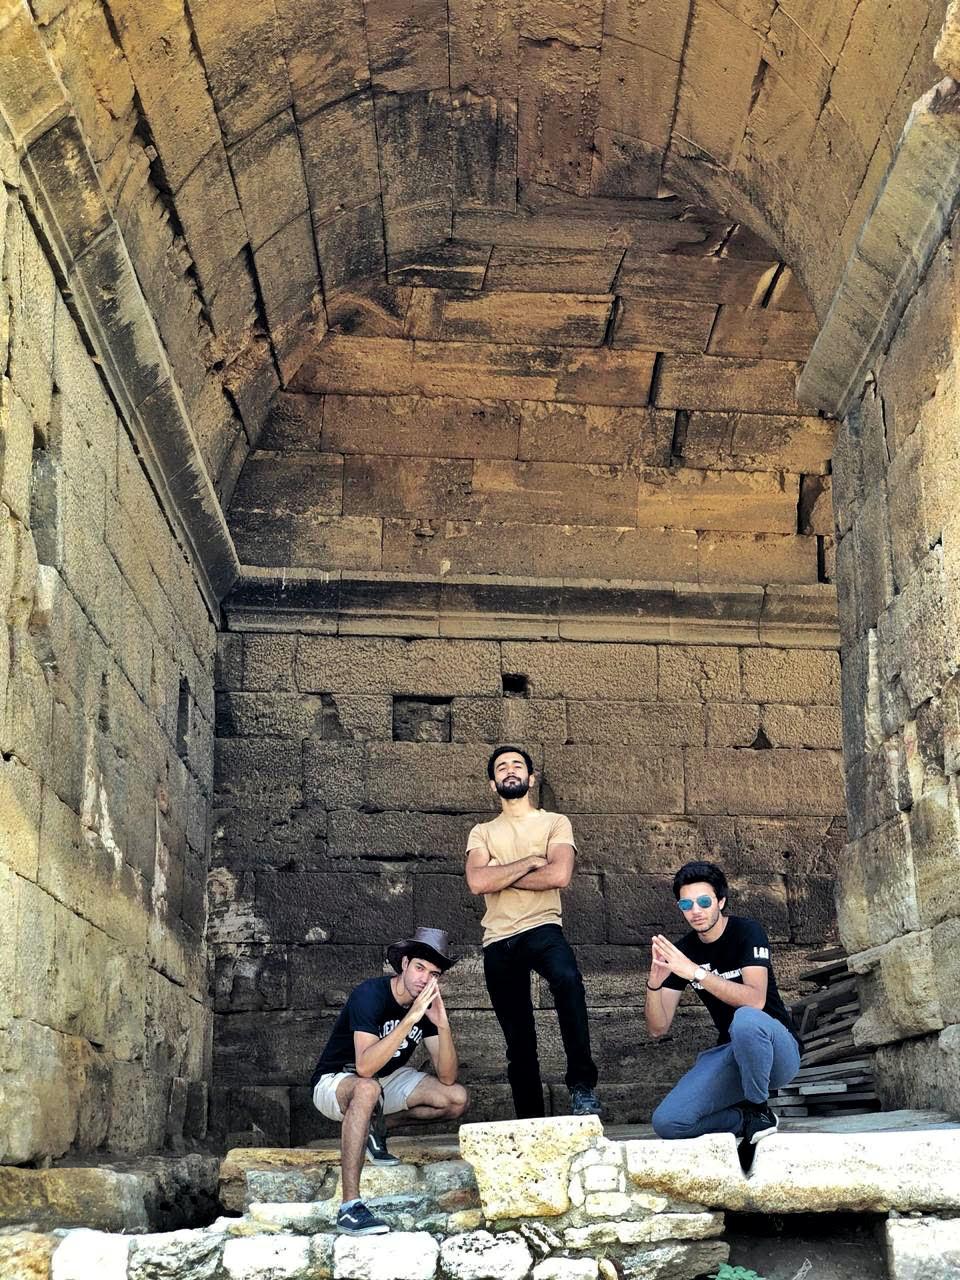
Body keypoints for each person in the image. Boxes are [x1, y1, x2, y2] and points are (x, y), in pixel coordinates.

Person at [465, 745, 600, 1119]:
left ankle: (582, 1086)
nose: (510, 771)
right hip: (498, 939)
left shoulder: (555, 823)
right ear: (493, 784)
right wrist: (527, 863)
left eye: (517, 765)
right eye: (502, 767)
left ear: (531, 778)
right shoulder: (482, 832)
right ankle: (530, 1119)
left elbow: (559, 875)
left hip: (543, 928)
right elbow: (477, 882)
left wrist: (501, 873)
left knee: (568, 981)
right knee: (518, 1039)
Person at [310, 927, 468, 1235]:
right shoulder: (371, 994)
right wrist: (410, 1017)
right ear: (405, 964)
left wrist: (442, 1024)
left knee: (457, 1098)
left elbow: (448, 1077)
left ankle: (379, 1127)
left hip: (387, 1081)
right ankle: (350, 1207)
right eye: (420, 968)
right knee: (367, 1088)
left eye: (433, 974)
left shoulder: (427, 1007)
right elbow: (365, 1067)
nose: (425, 979)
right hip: (338, 1080)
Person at [646, 860, 801, 1161]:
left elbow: (755, 1000)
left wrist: (696, 973)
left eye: (704, 901)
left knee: (745, 1019)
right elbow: (657, 1027)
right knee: (668, 1122)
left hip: (775, 1048)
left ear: (721, 901)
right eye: (686, 903)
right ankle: (743, 1119)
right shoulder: (684, 952)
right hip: (733, 1052)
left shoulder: (747, 932)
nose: (696, 910)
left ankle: (759, 1108)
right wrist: (653, 985)